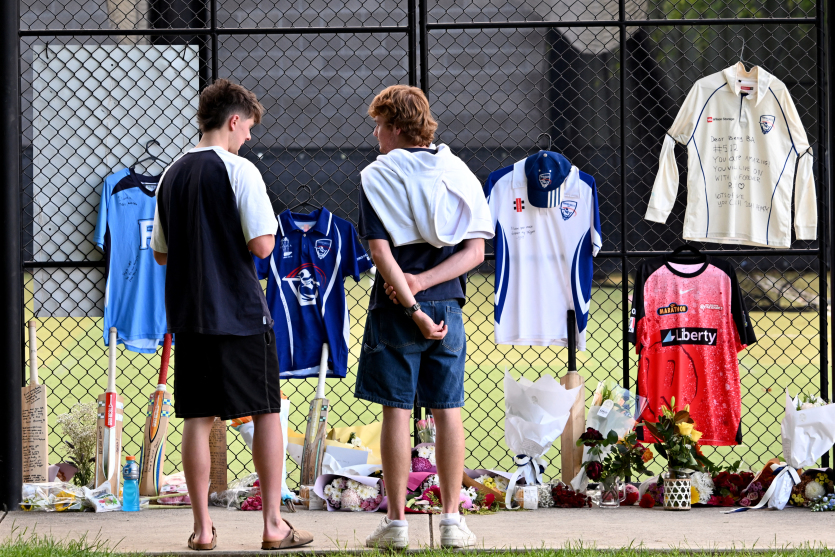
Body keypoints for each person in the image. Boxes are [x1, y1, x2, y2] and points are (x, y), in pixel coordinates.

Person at [151, 79, 312, 551]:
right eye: (248, 129)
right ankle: (273, 525)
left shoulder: (171, 174)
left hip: (189, 314)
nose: (249, 137)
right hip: (240, 313)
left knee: (197, 419)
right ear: (234, 120)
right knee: (265, 412)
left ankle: (202, 530)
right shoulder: (241, 170)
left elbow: (161, 253)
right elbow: (262, 245)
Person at [355, 85, 489, 549]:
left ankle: (396, 524)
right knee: (448, 412)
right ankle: (452, 522)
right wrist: (427, 284)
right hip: (448, 305)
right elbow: (475, 251)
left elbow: (379, 252)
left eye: (379, 125)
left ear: (395, 127)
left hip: (395, 310)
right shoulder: (458, 171)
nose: (376, 134)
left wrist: (411, 301)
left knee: (396, 413)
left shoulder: (377, 176)